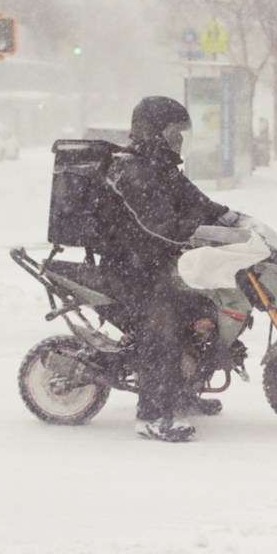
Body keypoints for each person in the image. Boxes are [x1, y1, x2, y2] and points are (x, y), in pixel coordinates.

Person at [99, 96, 240, 443]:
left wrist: (233, 219)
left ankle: (182, 392)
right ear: (152, 133)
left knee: (201, 307)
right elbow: (158, 225)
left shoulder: (161, 168)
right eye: (173, 133)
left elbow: (197, 202)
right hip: (130, 267)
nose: (179, 141)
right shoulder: (130, 170)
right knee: (163, 322)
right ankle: (150, 415)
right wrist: (202, 233)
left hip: (157, 261)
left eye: (181, 134)